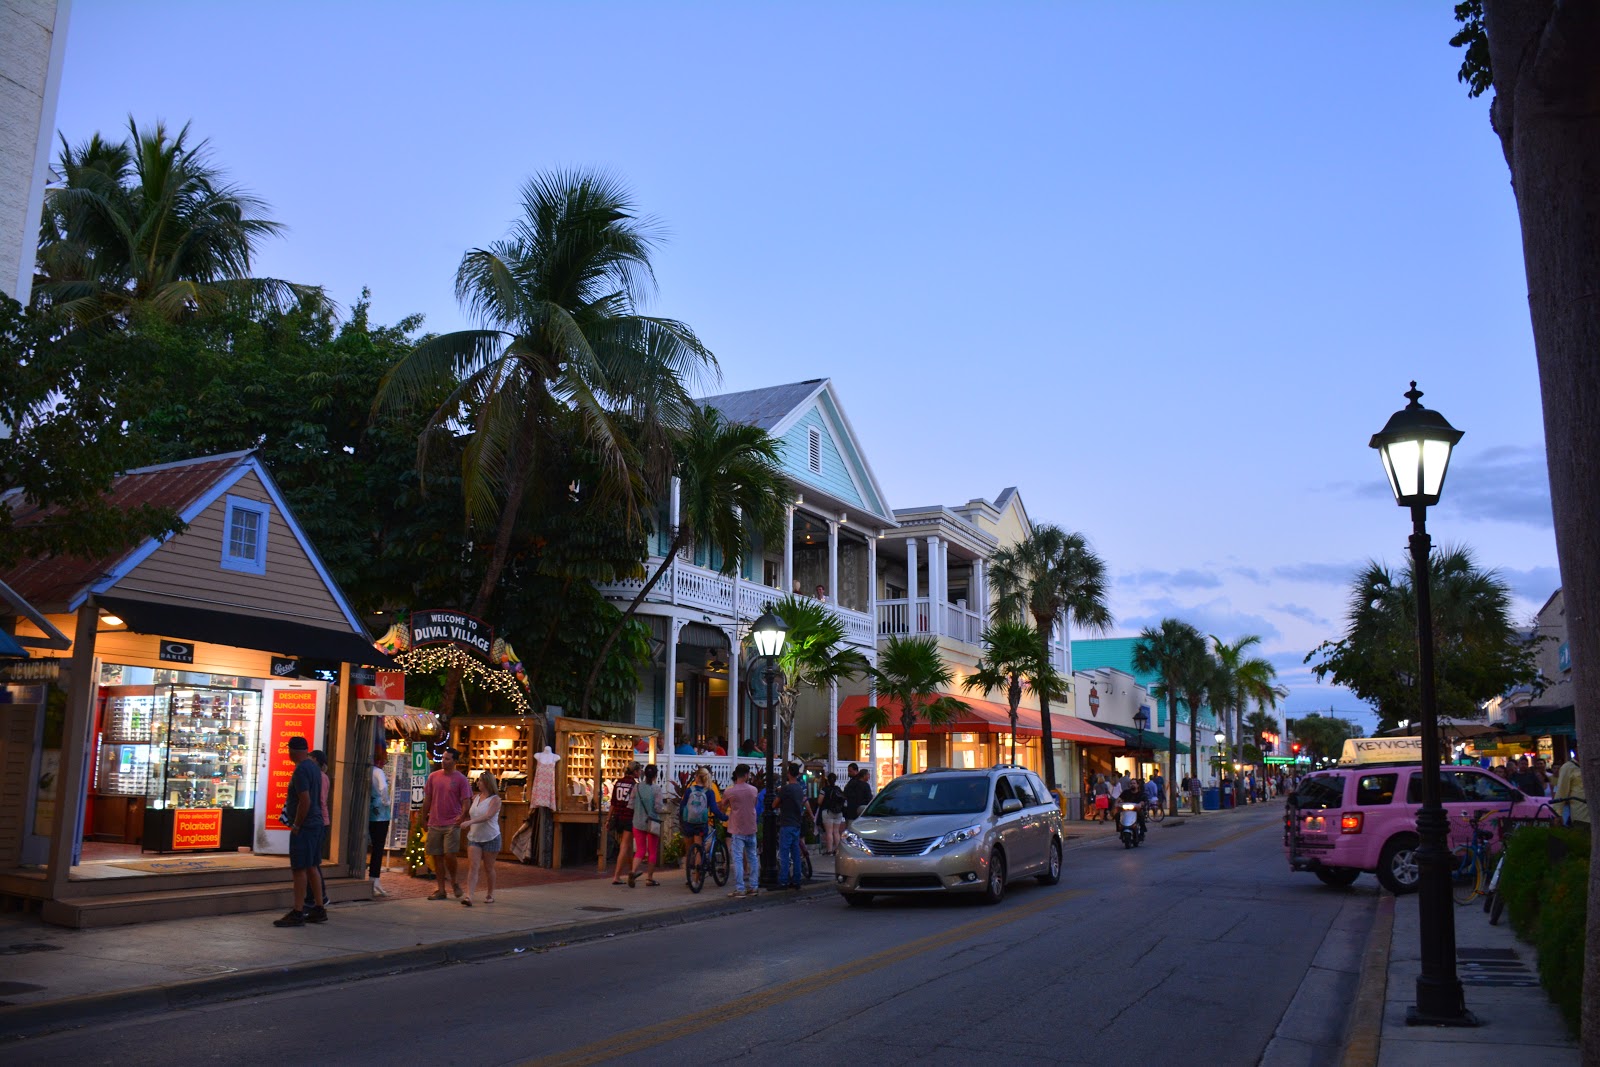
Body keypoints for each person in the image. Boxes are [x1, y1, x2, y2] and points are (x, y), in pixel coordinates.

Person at [273, 736, 327, 927]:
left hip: (306, 826)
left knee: (299, 868)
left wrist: (296, 825)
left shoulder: (300, 771)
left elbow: (305, 800)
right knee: (312, 866)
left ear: (293, 751)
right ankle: (319, 907)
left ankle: (298, 910)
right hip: (317, 823)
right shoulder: (314, 768)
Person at [420, 747, 472, 901]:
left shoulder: (461, 779)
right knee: (437, 856)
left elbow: (466, 800)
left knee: (450, 854)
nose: (444, 761)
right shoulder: (433, 777)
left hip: (452, 823)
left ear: (454, 761)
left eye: (447, 759)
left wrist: (462, 816)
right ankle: (441, 889)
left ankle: (454, 881)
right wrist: (424, 818)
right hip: (435, 821)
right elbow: (427, 799)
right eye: (443, 758)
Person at [459, 770, 502, 905]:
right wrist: (462, 817)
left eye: (481, 781)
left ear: (487, 783)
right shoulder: (476, 798)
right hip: (475, 837)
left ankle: (490, 894)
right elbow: (472, 813)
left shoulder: (495, 800)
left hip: (491, 837)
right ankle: (469, 896)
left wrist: (470, 822)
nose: (478, 783)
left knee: (488, 867)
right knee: (473, 866)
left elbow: (488, 816)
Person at [723, 764, 759, 897]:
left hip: (737, 828)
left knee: (737, 858)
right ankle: (754, 886)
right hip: (751, 826)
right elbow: (754, 805)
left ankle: (740, 888)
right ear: (746, 775)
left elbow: (724, 805)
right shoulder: (754, 790)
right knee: (752, 857)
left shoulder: (730, 791)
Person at [679, 767, 724, 871]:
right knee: (699, 849)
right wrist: (724, 817)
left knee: (689, 849)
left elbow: (682, 806)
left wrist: (682, 820)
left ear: (697, 777)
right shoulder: (710, 791)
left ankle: (688, 875)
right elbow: (714, 808)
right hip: (701, 823)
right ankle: (696, 878)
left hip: (688, 822)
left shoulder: (689, 789)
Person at [628, 764, 663, 888]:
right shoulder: (657, 789)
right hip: (652, 823)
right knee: (652, 851)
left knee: (640, 850)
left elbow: (630, 804)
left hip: (637, 822)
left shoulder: (636, 787)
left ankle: (633, 871)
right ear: (655, 775)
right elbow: (658, 808)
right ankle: (650, 878)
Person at [775, 762, 807, 889]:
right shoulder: (800, 788)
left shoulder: (786, 789)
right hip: (796, 822)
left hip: (787, 822)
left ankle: (783, 879)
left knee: (784, 853)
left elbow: (775, 804)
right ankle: (797, 879)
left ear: (789, 773)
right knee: (795, 852)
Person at [609, 762, 638, 885]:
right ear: (635, 772)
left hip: (618, 817)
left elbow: (613, 803)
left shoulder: (618, 783)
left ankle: (632, 871)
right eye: (639, 770)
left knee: (628, 846)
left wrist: (608, 819)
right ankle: (617, 875)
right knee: (625, 846)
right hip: (629, 817)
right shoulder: (634, 785)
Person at [369, 747, 391, 897]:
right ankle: (374, 878)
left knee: (374, 846)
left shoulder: (369, 771)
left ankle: (373, 877)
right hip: (380, 813)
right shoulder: (378, 772)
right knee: (378, 846)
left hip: (370, 810)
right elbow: (383, 788)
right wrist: (386, 801)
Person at [1553, 749, 1588, 830]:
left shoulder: (1592, 765)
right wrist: (1558, 813)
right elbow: (1561, 791)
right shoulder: (1567, 767)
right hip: (1580, 815)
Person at [818, 771, 846, 854]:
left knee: (829, 832)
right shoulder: (838, 789)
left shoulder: (824, 789)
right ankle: (837, 850)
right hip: (838, 812)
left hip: (827, 811)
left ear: (827, 780)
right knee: (836, 831)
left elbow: (819, 801)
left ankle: (829, 850)